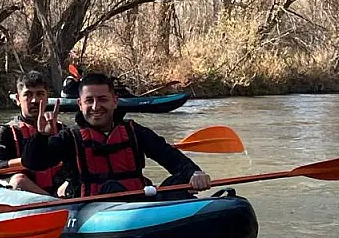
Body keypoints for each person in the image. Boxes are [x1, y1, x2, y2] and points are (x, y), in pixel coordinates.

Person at [23, 72, 212, 197]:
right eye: (89, 101)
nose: (96, 107)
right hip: (93, 207)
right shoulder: (69, 138)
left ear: (114, 101)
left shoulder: (134, 131)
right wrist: (41, 136)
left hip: (138, 201)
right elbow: (32, 163)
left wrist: (193, 172)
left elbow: (168, 155)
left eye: (102, 99)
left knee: (178, 183)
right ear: (80, 105)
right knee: (110, 188)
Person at [0, 70, 66, 195]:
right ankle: (52, 201)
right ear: (18, 99)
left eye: (40, 94)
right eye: (28, 94)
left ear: (47, 98)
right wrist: (30, 161)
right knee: (19, 180)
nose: (34, 100)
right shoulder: (6, 132)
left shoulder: (62, 129)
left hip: (59, 190)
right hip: (28, 191)